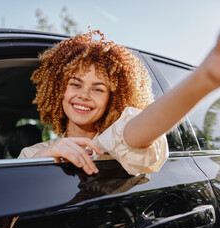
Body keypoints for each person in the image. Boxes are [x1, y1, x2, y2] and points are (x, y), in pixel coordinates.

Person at [18, 30, 220, 176]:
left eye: (98, 89)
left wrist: (203, 79)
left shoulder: (112, 141)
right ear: (60, 89)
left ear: (112, 99)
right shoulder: (32, 153)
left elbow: (136, 132)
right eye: (75, 84)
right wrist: (43, 159)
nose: (84, 95)